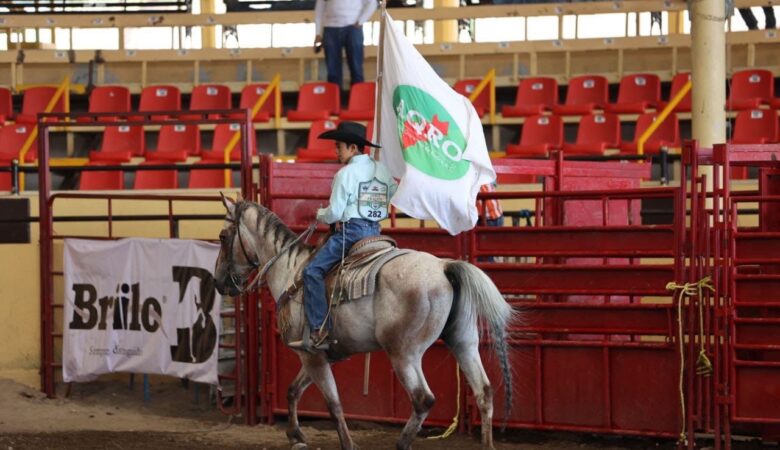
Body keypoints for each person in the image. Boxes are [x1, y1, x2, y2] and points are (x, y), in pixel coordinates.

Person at [290, 121, 397, 351]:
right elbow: (392, 194)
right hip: (376, 232)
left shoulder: (345, 174)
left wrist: (320, 214)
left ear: (352, 147)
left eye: (339, 146)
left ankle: (319, 329)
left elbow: (335, 213)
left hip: (352, 233)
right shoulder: (383, 171)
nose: (336, 151)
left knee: (312, 271)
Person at [314, 0, 378, 89]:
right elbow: (319, 9)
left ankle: (357, 99)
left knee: (356, 68)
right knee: (332, 70)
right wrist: (318, 33)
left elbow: (372, 3)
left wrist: (361, 21)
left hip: (353, 27)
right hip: (330, 27)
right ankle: (334, 100)